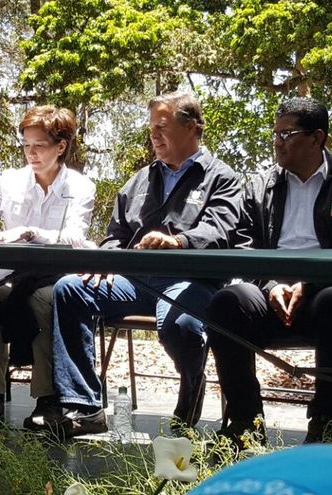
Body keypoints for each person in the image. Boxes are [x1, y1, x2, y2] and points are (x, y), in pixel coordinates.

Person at [48, 91, 242, 438]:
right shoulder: (138, 180)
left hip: (190, 280)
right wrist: (108, 260)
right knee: (70, 289)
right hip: (134, 281)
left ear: (192, 128)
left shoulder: (221, 177)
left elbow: (221, 230)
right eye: (151, 128)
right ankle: (86, 407)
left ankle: (191, 390)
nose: (153, 135)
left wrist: (179, 242)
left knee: (181, 323)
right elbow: (115, 235)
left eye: (162, 127)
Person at [205, 97, 332, 447]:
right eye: (275, 133)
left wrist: (308, 284)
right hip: (269, 291)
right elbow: (244, 245)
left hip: (323, 293)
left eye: (287, 134)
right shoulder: (260, 186)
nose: (277, 142)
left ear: (317, 138)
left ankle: (325, 422)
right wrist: (271, 284)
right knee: (226, 302)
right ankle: (245, 421)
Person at [0, 105, 96, 433]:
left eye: (39, 145)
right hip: (14, 277)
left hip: (54, 278)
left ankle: (47, 398)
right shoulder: (9, 181)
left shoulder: (81, 186)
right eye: (26, 145)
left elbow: (75, 236)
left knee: (45, 301)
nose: (31, 153)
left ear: (61, 147)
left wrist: (30, 233)